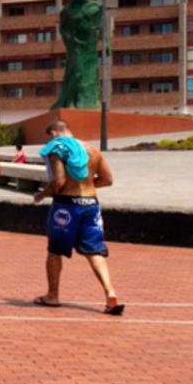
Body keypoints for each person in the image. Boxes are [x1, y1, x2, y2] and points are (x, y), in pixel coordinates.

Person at [33, 120, 124, 315]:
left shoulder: (58, 149)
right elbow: (107, 180)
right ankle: (110, 292)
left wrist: (42, 194)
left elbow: (58, 181)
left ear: (54, 133)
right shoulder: (92, 150)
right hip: (91, 205)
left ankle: (52, 295)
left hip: (66, 206)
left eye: (49, 138)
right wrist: (88, 185)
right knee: (95, 251)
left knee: (55, 251)